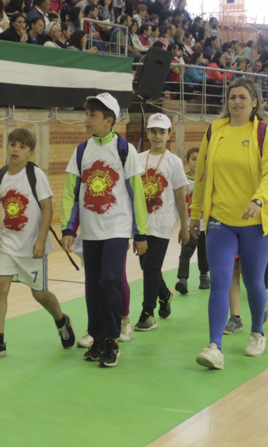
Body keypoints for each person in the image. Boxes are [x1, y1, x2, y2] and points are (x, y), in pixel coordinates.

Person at [189, 78, 268, 370]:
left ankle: (257, 332)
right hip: (220, 220)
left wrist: (259, 200)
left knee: (253, 280)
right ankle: (215, 345)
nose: (237, 102)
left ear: (254, 102)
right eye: (232, 97)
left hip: (255, 221)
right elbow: (201, 173)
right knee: (220, 281)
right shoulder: (216, 130)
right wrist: (196, 212)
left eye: (243, 97)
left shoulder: (266, 133)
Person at [61, 92, 148, 368]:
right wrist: (68, 228)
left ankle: (111, 341)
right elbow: (71, 194)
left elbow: (137, 192)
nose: (86, 120)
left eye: (92, 115)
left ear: (109, 120)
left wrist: (141, 233)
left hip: (117, 229)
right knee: (93, 287)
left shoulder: (125, 150)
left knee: (110, 282)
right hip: (90, 231)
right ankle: (98, 338)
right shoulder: (81, 151)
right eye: (86, 114)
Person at [0, 128, 75, 359]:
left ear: (30, 153)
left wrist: (41, 239)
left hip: (32, 247)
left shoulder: (36, 175)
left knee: (40, 295)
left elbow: (47, 207)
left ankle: (61, 320)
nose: (15, 149)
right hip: (7, 245)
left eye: (21, 147)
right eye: (12, 144)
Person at [133, 114, 188, 332]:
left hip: (163, 224)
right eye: (153, 131)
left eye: (162, 132)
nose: (157, 136)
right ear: (147, 133)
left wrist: (184, 226)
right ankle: (164, 295)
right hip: (142, 224)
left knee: (151, 266)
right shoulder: (138, 159)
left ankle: (148, 313)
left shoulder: (174, 162)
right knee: (145, 266)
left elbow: (180, 197)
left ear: (168, 135)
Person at [175, 147, 208, 293]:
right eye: (194, 159)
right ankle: (183, 279)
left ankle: (204, 275)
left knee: (204, 252)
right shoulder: (184, 181)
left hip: (205, 225)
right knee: (186, 251)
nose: (197, 163)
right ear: (186, 162)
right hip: (189, 224)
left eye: (200, 159)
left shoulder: (207, 181)